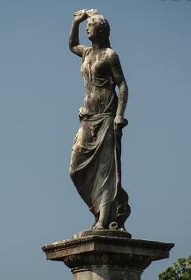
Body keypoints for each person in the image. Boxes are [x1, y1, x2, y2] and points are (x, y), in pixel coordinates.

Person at [69, 9, 130, 230]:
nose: (88, 28)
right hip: (87, 117)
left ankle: (104, 220)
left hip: (106, 117)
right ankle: (98, 210)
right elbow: (72, 45)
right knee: (75, 170)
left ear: (101, 30)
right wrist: (77, 21)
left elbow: (122, 85)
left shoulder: (110, 55)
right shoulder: (86, 53)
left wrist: (120, 115)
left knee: (106, 171)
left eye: (91, 25)